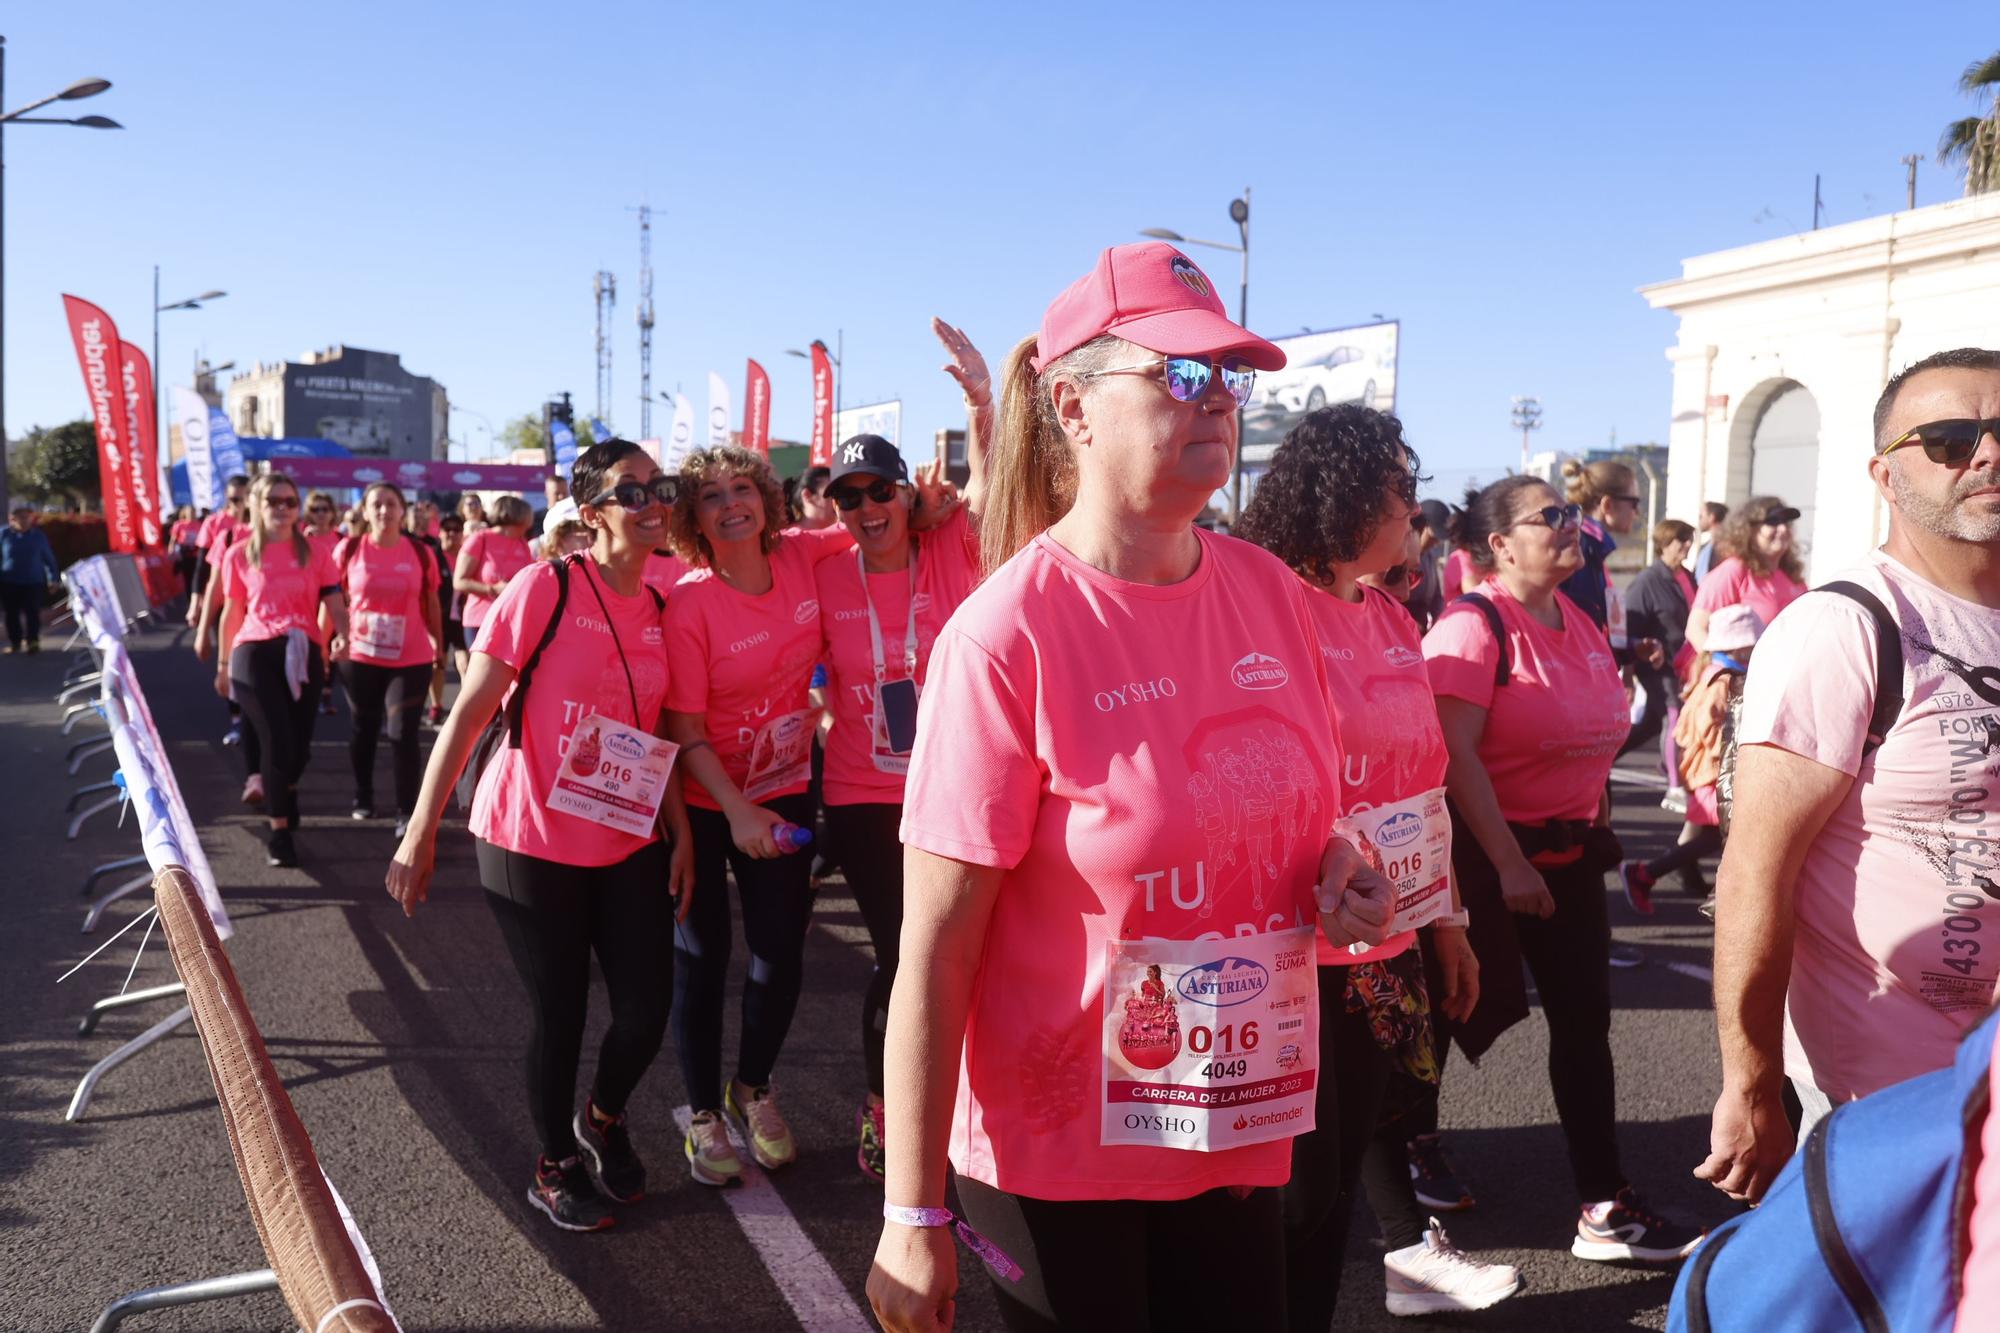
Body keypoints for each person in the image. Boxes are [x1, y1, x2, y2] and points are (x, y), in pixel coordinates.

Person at [865, 241, 1395, 1333]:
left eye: (1227, 379)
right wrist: (908, 1213)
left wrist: (1338, 870)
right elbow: (935, 948)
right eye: (1177, 374)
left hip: (1238, 1123)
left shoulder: (1266, 592)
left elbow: (1303, 816)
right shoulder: (1005, 635)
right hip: (1060, 1166)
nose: (1214, 404)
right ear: (1073, 406)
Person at [1698, 348, 2000, 1206]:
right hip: (1895, 1101)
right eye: (1948, 438)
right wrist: (1750, 1082)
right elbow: (1759, 867)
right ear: (1884, 473)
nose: (1986, 454)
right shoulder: (1845, 625)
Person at [1236, 404, 1517, 1323]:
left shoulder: (1396, 617)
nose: (1415, 505)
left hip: (1386, 938)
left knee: (1337, 1188)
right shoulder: (1263, 605)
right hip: (1283, 947)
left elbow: (1423, 782)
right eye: (1400, 485)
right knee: (1290, 1193)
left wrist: (1449, 924)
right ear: (1347, 495)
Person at [386, 439, 693, 1233]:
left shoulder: (665, 599)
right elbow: (469, 712)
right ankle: (553, 1161)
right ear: (591, 515)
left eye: (661, 486)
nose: (655, 501)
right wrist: (421, 831)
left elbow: (660, 728)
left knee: (645, 1008)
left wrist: (681, 830)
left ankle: (604, 1113)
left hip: (628, 835)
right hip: (530, 836)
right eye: (634, 492)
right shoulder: (543, 586)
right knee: (559, 1011)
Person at [1423, 475, 1705, 1263]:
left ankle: (1603, 1204)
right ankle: (1412, 1144)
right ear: (1500, 544)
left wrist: (1597, 835)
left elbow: (1598, 736)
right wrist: (1510, 863)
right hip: (1485, 860)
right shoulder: (1471, 627)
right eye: (1550, 515)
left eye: (1571, 511)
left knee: (1585, 1027)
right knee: (1450, 1011)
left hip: (1568, 856)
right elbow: (1453, 758)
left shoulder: (1580, 619)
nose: (1569, 524)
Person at [663, 445, 868, 1186]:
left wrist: (934, 502)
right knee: (702, 957)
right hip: (705, 794)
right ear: (694, 516)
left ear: (767, 499)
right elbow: (683, 731)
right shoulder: (690, 603)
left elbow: (879, 521)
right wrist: (735, 810)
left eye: (742, 488)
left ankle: (750, 1085)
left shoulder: (804, 556)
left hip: (783, 779)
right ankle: (703, 1117)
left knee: (780, 950)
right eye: (711, 496)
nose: (730, 504)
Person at [814, 428, 986, 1181]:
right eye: (849, 498)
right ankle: (889, 1108)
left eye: (880, 489)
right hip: (865, 797)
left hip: (953, 790)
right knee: (904, 955)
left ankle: (961, 1101)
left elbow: (996, 483)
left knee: (964, 954)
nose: (866, 507)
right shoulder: (822, 568)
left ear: (907, 493)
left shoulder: (949, 545)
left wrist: (982, 403)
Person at [213, 471, 350, 867]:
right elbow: (232, 612)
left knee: (300, 747)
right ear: (257, 505)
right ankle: (280, 832)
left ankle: (284, 791)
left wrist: (341, 634)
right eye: (273, 501)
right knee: (275, 737)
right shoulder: (239, 553)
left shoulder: (316, 552)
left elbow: (336, 604)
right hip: (253, 651)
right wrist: (223, 664)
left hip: (303, 649)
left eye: (290, 501)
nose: (282, 509)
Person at [1619, 605, 1760, 915]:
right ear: (1738, 646)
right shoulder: (1723, 682)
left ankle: (1673, 876)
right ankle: (1646, 874)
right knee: (1727, 831)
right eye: (1752, 643)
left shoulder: (1711, 672)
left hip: (1701, 770)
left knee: (1708, 833)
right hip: (1710, 772)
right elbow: (1708, 729)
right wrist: (1727, 755)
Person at [336, 482, 444, 835]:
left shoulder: (420, 552)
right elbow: (332, 601)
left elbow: (431, 602)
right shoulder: (348, 550)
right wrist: (327, 642)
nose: (384, 511)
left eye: (391, 504)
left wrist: (439, 646)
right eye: (376, 505)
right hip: (360, 654)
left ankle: (407, 812)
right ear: (365, 512)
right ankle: (363, 795)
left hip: (410, 656)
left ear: (402, 510)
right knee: (363, 728)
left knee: (402, 733)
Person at [1623, 518, 1698, 794]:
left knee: (1653, 724)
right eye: (1682, 540)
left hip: (1685, 663)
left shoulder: (1686, 576)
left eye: (1690, 538)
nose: (1688, 545)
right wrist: (1628, 676)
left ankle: (1606, 758)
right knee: (1672, 713)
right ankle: (1675, 786)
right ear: (1665, 544)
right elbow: (1630, 629)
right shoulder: (1646, 581)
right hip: (1657, 663)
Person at [1685, 496, 1806, 651]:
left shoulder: (1792, 575)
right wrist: (1725, 669)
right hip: (1743, 673)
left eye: (1786, 522)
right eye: (1773, 521)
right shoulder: (1734, 571)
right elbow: (1695, 629)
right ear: (1749, 529)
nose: (1783, 529)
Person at [455, 496, 536, 650]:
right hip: (480, 620)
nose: (529, 525)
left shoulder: (522, 544)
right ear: (515, 517)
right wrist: (492, 589)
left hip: (512, 621)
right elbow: (459, 581)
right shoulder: (480, 539)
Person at [0, 503, 59, 653]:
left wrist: (53, 578)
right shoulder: (4, 534)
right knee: (11, 614)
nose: (24, 520)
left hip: (33, 581)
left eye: (27, 517)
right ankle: (15, 642)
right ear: (12, 519)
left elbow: (49, 559)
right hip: (9, 581)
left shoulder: (38, 537)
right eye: (20, 517)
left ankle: (33, 642)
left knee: (32, 612)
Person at [430, 511, 466, 725]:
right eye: (447, 530)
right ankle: (436, 705)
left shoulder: (468, 554)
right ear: (440, 532)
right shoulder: (433, 556)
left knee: (466, 664)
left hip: (461, 618)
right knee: (438, 664)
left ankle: (464, 709)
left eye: (456, 530)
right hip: (439, 617)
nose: (452, 534)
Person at [1692, 500, 1729, 583]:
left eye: (1701, 516)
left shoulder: (1728, 548)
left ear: (1711, 517)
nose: (1699, 520)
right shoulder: (1704, 547)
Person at [794, 464, 837, 530]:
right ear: (807, 495)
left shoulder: (852, 534)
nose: (837, 499)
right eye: (831, 492)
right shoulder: (787, 538)